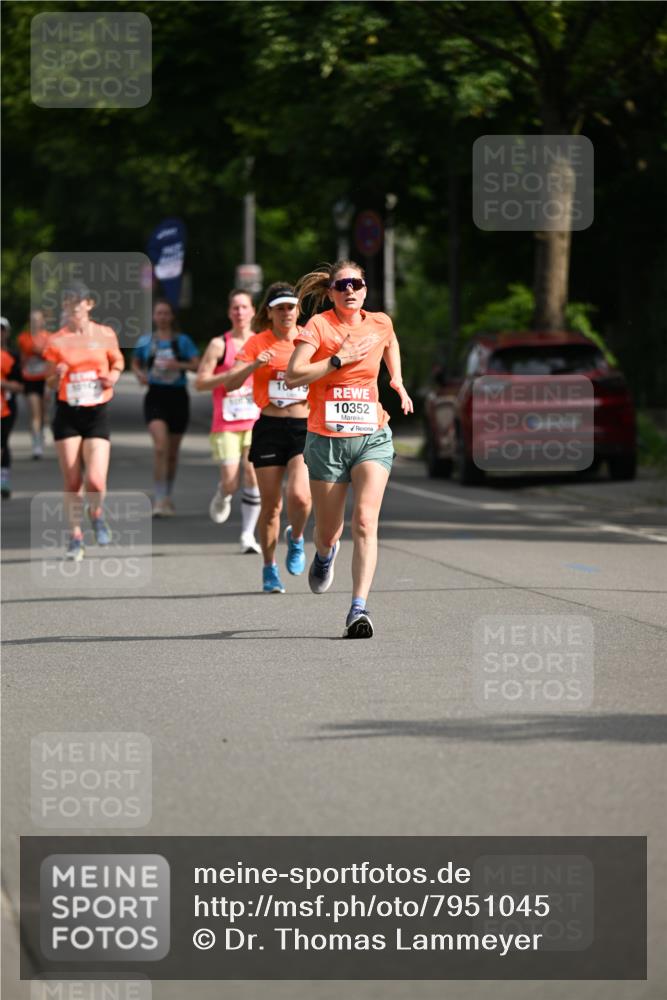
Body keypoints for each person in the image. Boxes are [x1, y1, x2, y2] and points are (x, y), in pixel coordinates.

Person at [286, 260, 413, 638]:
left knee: (364, 521)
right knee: (329, 532)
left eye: (356, 283)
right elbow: (294, 374)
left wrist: (399, 382)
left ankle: (358, 608)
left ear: (365, 288)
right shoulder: (319, 326)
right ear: (331, 292)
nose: (350, 290)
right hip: (326, 439)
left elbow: (390, 341)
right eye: (342, 285)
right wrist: (338, 358)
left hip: (372, 435)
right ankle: (325, 555)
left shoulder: (380, 322)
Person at [224, 283, 312, 593]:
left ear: (298, 310)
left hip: (304, 428)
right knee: (271, 505)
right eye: (280, 308)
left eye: (291, 307)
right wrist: (253, 365)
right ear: (270, 312)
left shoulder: (310, 339)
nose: (287, 312)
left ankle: (297, 538)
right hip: (270, 427)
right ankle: (269, 567)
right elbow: (230, 383)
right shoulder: (256, 342)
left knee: (300, 497)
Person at [43, 281, 125, 560]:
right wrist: (59, 373)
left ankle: (97, 512)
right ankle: (75, 537)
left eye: (78, 301)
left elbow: (118, 363)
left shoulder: (105, 334)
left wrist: (111, 377)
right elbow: (49, 380)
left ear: (89, 304)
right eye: (68, 301)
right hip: (67, 412)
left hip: (96, 412)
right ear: (64, 306)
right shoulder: (56, 340)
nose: (73, 306)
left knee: (96, 481)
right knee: (72, 478)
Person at [195, 289, 261, 553]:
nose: (240, 312)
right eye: (235, 308)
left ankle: (247, 535)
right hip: (226, 423)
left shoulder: (262, 342)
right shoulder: (219, 345)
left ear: (253, 311)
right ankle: (224, 492)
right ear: (229, 313)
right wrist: (230, 376)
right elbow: (200, 382)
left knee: (253, 472)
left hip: (256, 420)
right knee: (232, 480)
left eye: (244, 307)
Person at [131, 300, 199, 516]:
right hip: (155, 396)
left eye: (165, 313)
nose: (161, 317)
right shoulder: (146, 342)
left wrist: (177, 365)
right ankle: (159, 498)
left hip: (178, 397)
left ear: (171, 317)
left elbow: (197, 364)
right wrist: (140, 374)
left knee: (172, 453)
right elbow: (135, 362)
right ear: (153, 316)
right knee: (160, 447)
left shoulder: (183, 341)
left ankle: (167, 494)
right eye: (158, 313)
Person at [17, 309, 51, 458]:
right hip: (29, 379)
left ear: (43, 321)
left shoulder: (49, 338)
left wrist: (41, 353)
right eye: (32, 320)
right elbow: (22, 359)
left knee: (44, 413)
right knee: (35, 414)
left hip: (44, 380)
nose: (35, 322)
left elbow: (52, 359)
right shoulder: (24, 338)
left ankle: (45, 430)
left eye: (37, 319)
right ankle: (37, 445)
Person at [1, 317, 23, 499]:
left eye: (1, 329)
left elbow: (20, 386)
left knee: (2, 442)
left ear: (6, 332)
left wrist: (3, 384)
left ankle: (3, 480)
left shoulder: (13, 357)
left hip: (6, 406)